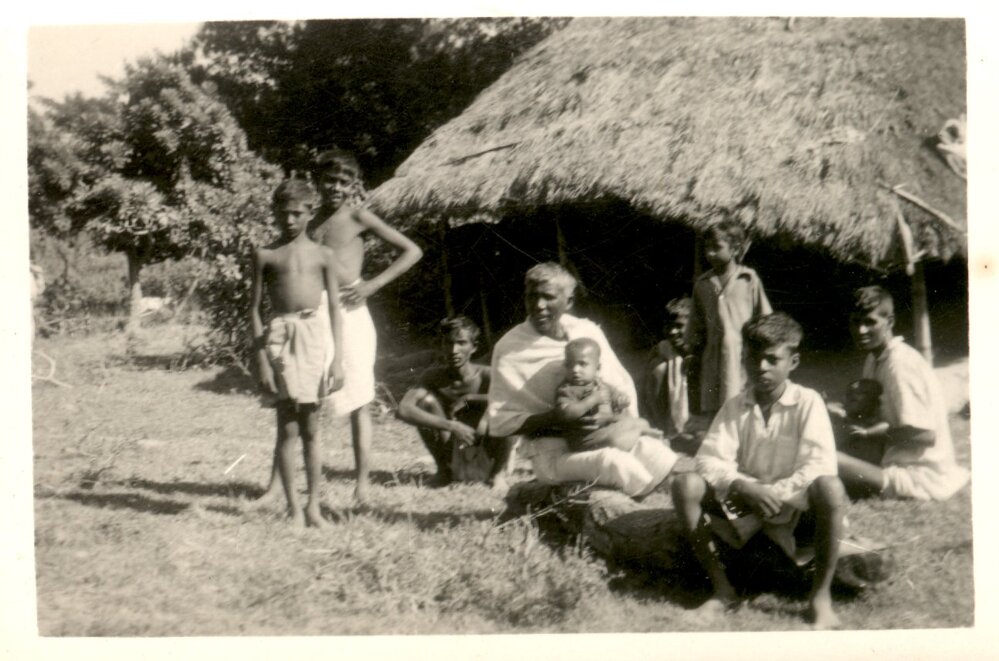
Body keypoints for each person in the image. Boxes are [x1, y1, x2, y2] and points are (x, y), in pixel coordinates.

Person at [256, 148, 422, 505]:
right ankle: (275, 486)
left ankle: (361, 485)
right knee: (296, 398)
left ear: (354, 185)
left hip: (350, 313)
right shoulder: (306, 220)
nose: (336, 187)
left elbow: (411, 251)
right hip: (312, 317)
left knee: (360, 397)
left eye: (344, 182)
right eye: (330, 180)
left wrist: (372, 285)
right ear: (317, 182)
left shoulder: (360, 217)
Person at [671, 312, 846, 629]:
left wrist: (773, 494)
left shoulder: (808, 402)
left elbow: (818, 464)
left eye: (772, 359)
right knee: (686, 483)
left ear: (793, 362)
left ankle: (819, 597)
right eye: (753, 359)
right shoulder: (736, 406)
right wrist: (742, 486)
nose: (761, 367)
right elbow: (709, 459)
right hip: (745, 505)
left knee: (831, 487)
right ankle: (723, 590)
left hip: (795, 506)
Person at [486, 262, 678, 498]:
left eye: (548, 297)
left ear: (568, 302)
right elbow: (502, 422)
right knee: (612, 462)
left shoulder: (586, 333)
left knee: (657, 453)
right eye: (532, 296)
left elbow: (618, 387)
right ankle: (636, 508)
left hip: (601, 436)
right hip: (551, 451)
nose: (539, 305)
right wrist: (559, 418)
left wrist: (609, 417)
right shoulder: (509, 348)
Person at [250, 179, 345, 527]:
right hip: (279, 336)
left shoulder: (324, 255)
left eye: (296, 214)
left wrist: (337, 360)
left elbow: (335, 309)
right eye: (282, 213)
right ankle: (292, 509)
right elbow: (255, 309)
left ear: (311, 213)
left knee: (311, 428)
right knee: (286, 429)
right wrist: (261, 358)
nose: (288, 220)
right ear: (273, 212)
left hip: (313, 336)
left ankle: (314, 507)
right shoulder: (266, 255)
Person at [837, 286, 969, 501]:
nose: (861, 330)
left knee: (825, 459)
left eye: (869, 322)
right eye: (855, 321)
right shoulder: (875, 359)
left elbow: (924, 435)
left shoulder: (900, 365)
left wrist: (868, 433)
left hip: (920, 476)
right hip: (892, 459)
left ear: (889, 321)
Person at [396, 316, 516, 488]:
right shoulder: (433, 377)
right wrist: (451, 426)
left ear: (474, 347)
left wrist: (471, 399)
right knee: (426, 402)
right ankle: (444, 472)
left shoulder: (487, 375)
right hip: (452, 446)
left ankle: (498, 475)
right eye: (448, 343)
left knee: (508, 408)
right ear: (441, 346)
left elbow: (517, 402)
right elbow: (404, 409)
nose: (454, 350)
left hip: (488, 447)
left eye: (461, 343)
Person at [685, 217, 771, 416]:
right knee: (715, 405)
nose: (710, 253)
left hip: (742, 354)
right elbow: (695, 325)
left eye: (717, 247)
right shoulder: (703, 284)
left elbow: (765, 319)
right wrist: (691, 352)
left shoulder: (748, 279)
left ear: (734, 248)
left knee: (741, 401)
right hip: (712, 355)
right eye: (707, 248)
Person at [554, 337, 659, 453]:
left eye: (582, 364)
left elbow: (615, 396)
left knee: (642, 422)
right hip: (585, 439)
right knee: (615, 441)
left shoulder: (602, 385)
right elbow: (567, 413)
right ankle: (639, 434)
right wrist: (592, 400)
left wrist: (621, 399)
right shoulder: (567, 389)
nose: (575, 370)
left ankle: (639, 433)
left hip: (607, 429)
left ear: (597, 368)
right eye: (569, 365)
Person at [639, 297, 701, 451]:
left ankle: (693, 429)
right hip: (668, 413)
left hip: (697, 412)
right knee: (658, 368)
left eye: (679, 326)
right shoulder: (665, 347)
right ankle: (662, 429)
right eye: (668, 326)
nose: (672, 332)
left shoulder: (702, 346)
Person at [828, 378, 889, 467]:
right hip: (850, 460)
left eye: (861, 393)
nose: (852, 396)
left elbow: (886, 426)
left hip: (869, 463)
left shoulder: (875, 419)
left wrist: (867, 432)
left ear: (872, 401)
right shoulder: (844, 413)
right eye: (849, 394)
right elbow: (832, 407)